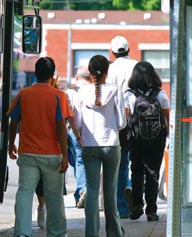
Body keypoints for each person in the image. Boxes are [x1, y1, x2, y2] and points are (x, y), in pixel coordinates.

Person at [7, 56, 72, 237]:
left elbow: (14, 121)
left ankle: (22, 232)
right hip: (52, 154)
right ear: (52, 75)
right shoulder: (59, 96)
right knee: (54, 197)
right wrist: (65, 155)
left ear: (35, 74)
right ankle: (56, 232)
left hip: (28, 152)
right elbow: (61, 126)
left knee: (24, 192)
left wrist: (11, 143)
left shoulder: (23, 94)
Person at [73, 55, 126, 237]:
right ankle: (114, 233)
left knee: (92, 189)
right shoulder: (115, 91)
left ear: (89, 72)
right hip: (111, 145)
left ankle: (91, 233)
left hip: (89, 145)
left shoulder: (82, 93)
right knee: (110, 194)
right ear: (107, 72)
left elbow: (77, 123)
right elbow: (121, 122)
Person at [124, 61, 170, 221]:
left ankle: (137, 206)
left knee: (136, 172)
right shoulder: (161, 94)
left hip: (136, 139)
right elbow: (166, 117)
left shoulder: (130, 95)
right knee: (153, 174)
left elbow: (126, 118)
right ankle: (151, 210)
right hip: (156, 140)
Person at [106, 35, 138, 218]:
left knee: (121, 163)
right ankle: (134, 193)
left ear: (112, 52)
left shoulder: (111, 70)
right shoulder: (137, 65)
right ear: (129, 49)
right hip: (139, 120)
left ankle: (122, 206)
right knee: (139, 162)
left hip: (119, 121)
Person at [65, 66, 91, 208]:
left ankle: (81, 189)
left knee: (78, 161)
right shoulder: (94, 90)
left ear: (77, 77)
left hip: (75, 131)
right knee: (86, 161)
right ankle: (83, 191)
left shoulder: (70, 92)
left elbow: (69, 114)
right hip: (93, 132)